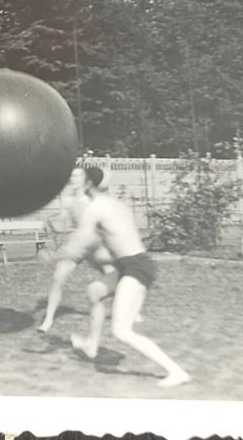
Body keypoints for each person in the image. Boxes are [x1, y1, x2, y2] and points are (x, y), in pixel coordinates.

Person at [66, 166, 191, 388]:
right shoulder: (115, 204)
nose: (74, 183)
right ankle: (91, 345)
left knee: (121, 331)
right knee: (95, 290)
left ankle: (176, 371)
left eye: (79, 180)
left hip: (135, 268)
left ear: (88, 185)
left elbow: (80, 241)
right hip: (130, 265)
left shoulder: (96, 208)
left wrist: (53, 255)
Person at [35, 166, 93, 332]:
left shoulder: (93, 199)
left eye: (77, 176)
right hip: (76, 243)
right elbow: (60, 223)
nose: (73, 179)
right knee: (57, 277)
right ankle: (48, 320)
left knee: (114, 271)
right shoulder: (67, 200)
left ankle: (128, 310)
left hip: (94, 242)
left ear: (85, 180)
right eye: (72, 176)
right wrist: (48, 222)